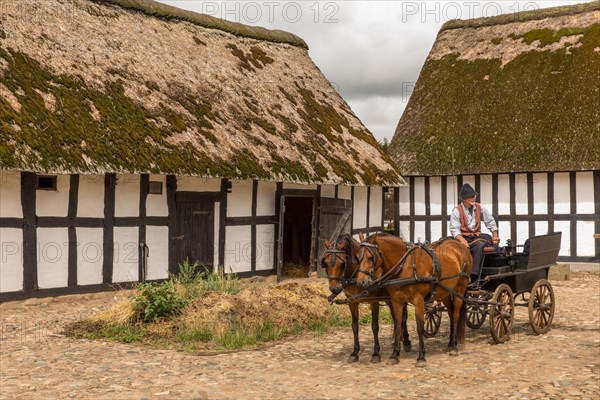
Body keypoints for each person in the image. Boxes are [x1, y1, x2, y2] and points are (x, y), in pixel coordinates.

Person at [449, 183, 499, 282]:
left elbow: (490, 221)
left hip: (476, 237)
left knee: (479, 245)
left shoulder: (480, 207)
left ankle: (474, 275)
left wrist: (495, 235)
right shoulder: (456, 211)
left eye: (474, 196)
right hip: (462, 237)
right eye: (471, 196)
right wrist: (462, 240)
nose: (474, 198)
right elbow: (454, 229)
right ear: (464, 199)